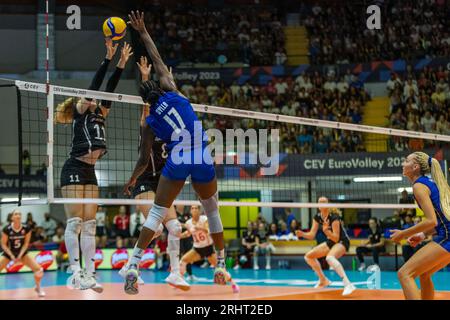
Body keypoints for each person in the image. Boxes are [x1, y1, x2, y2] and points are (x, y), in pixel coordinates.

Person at [123, 11, 230, 294]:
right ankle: (220, 263)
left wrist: (134, 179)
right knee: (212, 210)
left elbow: (144, 158)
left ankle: (133, 263)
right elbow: (158, 59)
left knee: (157, 214)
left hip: (178, 159)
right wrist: (143, 31)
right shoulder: (173, 91)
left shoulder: (149, 122)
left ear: (144, 100)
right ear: (161, 85)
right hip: (200, 155)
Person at [55, 38, 133, 291]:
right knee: (75, 222)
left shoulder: (101, 112)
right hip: (74, 168)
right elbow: (96, 86)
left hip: (90, 170)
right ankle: (75, 272)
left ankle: (90, 274)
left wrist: (121, 64)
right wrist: (108, 58)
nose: (95, 99)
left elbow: (108, 90)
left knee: (90, 225)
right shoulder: (82, 109)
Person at [119, 56, 189, 290]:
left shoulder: (171, 125)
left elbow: (174, 102)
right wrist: (146, 77)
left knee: (176, 228)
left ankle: (175, 273)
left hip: (162, 181)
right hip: (144, 180)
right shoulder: (148, 124)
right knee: (156, 226)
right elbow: (147, 106)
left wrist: (170, 82)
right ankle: (131, 265)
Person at [390, 152, 450, 300]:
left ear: (415, 167)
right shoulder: (429, 183)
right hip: (447, 234)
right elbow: (440, 219)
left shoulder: (419, 186)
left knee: (404, 274)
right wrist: (422, 235)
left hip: (448, 237)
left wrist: (403, 234)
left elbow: (431, 221)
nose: (403, 164)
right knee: (425, 274)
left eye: (406, 161)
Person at [296, 197, 356, 296]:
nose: (322, 203)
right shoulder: (317, 217)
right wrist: (302, 234)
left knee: (330, 258)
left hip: (342, 241)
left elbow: (336, 238)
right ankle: (323, 280)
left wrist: (326, 231)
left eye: (324, 202)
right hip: (331, 241)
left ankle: (348, 284)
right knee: (308, 256)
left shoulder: (334, 217)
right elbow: (311, 235)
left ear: (328, 204)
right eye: (320, 202)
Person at [180, 205, 239, 293]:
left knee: (220, 269)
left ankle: (234, 284)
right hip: (197, 249)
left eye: (196, 208)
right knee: (183, 260)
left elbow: (208, 230)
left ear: (199, 211)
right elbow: (188, 233)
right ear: (190, 211)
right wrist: (180, 236)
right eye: (192, 208)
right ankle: (180, 281)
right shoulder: (188, 223)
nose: (194, 210)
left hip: (208, 248)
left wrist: (199, 228)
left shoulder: (204, 219)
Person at [0, 210, 45, 297]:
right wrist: (12, 256)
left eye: (19, 214)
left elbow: (26, 243)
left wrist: (20, 255)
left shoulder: (26, 228)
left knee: (39, 270)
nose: (18, 216)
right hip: (9, 254)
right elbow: (3, 244)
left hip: (22, 253)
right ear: (12, 217)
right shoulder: (7, 229)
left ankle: (38, 287)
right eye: (16, 214)